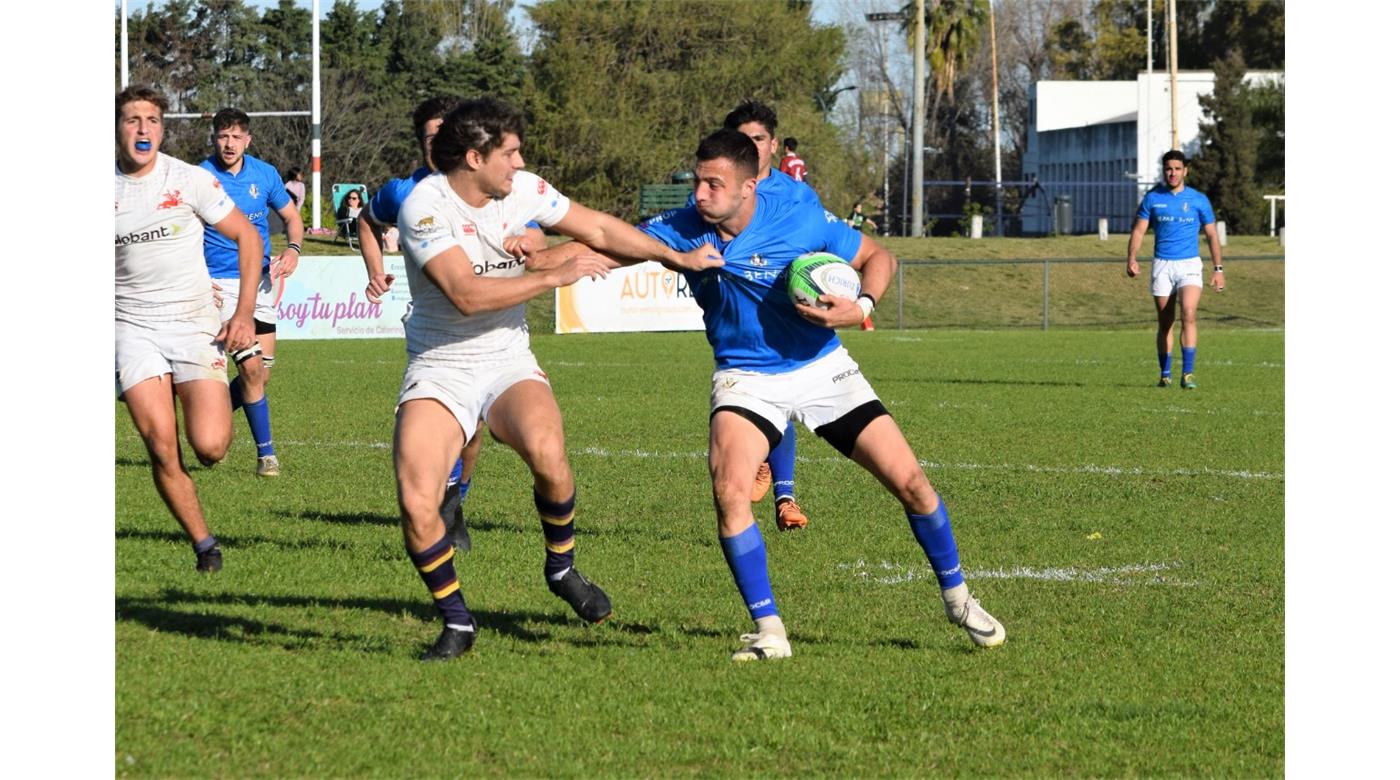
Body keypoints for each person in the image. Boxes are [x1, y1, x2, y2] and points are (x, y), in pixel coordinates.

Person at [586, 129, 1005, 660]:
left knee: (913, 484)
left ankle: (959, 598)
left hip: (822, 368)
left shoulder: (799, 216)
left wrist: (863, 306)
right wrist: (543, 247)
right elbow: (605, 237)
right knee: (731, 491)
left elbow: (879, 256)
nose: (700, 194)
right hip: (746, 378)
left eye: (715, 184)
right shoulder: (682, 229)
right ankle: (770, 632)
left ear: (749, 187)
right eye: (698, 181)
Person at [393, 97, 721, 660]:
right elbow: (466, 295)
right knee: (418, 501)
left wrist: (675, 258)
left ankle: (562, 566)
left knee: (549, 454)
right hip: (440, 364)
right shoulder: (424, 206)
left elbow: (595, 226)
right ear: (475, 157)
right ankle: (457, 623)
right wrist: (554, 274)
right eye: (511, 153)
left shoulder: (522, 190)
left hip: (506, 358)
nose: (519, 163)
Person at [357, 96, 545, 553]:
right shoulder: (408, 193)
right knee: (454, 420)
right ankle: (444, 501)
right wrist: (374, 269)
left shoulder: (494, 189)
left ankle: (454, 498)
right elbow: (367, 218)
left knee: (476, 428)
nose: (440, 143)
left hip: (493, 326)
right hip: (438, 328)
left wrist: (528, 241)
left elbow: (538, 228)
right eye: (431, 137)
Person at [115, 86, 263, 572]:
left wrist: (242, 314)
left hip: (194, 323)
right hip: (131, 328)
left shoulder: (189, 179)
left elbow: (248, 237)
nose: (142, 129)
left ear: (163, 128)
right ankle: (205, 546)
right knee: (160, 444)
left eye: (151, 120)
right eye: (132, 119)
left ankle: (196, 392)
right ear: (117, 128)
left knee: (211, 446)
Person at [721, 101, 814, 532]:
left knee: (787, 402)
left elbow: (816, 242)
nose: (752, 148)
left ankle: (784, 496)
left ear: (774, 145)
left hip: (789, 310)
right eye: (744, 141)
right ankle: (776, 481)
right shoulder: (717, 192)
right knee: (772, 404)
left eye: (759, 139)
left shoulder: (796, 194)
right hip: (741, 317)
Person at [199, 107, 305, 477]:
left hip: (260, 282)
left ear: (248, 140)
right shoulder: (200, 177)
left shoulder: (266, 174)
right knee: (253, 368)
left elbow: (292, 219)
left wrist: (293, 250)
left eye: (236, 137)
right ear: (214, 138)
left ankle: (210, 428)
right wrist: (196, 280)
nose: (229, 144)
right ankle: (267, 456)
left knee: (261, 374)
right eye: (222, 136)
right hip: (222, 286)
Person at [1126, 150, 1224, 389]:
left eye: (1177, 168)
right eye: (1169, 168)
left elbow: (1211, 234)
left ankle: (1188, 374)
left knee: (1189, 313)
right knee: (1166, 321)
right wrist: (1132, 258)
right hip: (1162, 265)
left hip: (1189, 264)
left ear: (1185, 171)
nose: (1173, 173)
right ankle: (1165, 373)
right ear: (1164, 170)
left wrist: (1218, 268)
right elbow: (1139, 231)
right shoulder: (1152, 199)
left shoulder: (1199, 200)